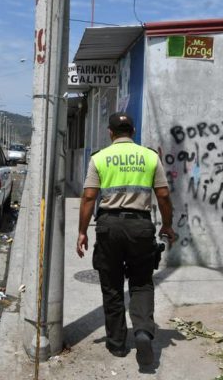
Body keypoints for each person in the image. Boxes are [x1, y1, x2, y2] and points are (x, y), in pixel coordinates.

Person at [76, 112, 175, 368]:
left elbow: (88, 198)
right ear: (133, 131)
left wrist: (82, 231)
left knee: (112, 284)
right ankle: (142, 330)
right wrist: (167, 225)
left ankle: (117, 344)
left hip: (109, 226)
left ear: (111, 132)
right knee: (141, 282)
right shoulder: (150, 157)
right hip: (141, 226)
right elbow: (163, 196)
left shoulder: (100, 158)